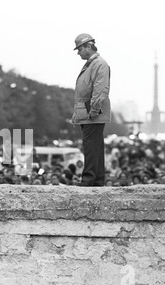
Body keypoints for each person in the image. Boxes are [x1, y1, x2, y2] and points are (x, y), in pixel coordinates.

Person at [71, 33, 111, 187]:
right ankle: (97, 179)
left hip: (92, 113)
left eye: (79, 49)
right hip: (88, 112)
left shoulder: (98, 64)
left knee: (91, 147)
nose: (78, 53)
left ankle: (88, 180)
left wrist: (93, 111)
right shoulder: (92, 63)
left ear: (88, 46)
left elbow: (100, 90)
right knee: (96, 147)